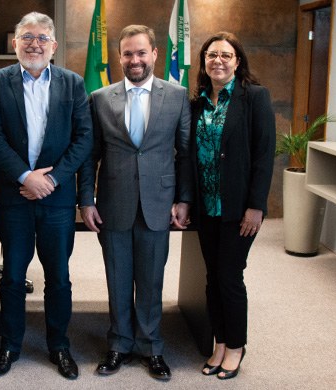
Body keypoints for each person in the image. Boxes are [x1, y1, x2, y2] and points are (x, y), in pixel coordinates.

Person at [0, 11, 93, 380]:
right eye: (26, 37)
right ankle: (9, 344)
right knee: (12, 276)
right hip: (14, 196)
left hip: (58, 199)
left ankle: (59, 346)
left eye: (42, 38)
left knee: (58, 277)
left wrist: (54, 179)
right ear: (15, 44)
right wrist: (27, 176)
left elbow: (83, 139)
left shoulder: (73, 84)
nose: (34, 43)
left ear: (54, 46)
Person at [77, 24, 192, 381]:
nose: (135, 60)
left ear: (155, 54)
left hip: (160, 202)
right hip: (113, 203)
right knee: (118, 278)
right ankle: (119, 344)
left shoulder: (177, 95)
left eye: (142, 52)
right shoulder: (99, 98)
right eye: (128, 53)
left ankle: (152, 347)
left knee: (152, 279)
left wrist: (184, 199)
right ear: (120, 57)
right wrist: (86, 200)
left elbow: (185, 154)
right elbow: (88, 156)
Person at [190, 31, 275, 380]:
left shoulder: (254, 98)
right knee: (212, 278)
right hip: (206, 207)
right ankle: (220, 342)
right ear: (204, 62)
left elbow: (264, 155)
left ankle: (236, 347)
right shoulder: (196, 104)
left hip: (239, 208)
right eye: (212, 55)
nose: (218, 61)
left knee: (229, 276)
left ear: (237, 62)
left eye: (226, 55)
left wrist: (256, 206)